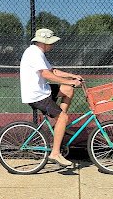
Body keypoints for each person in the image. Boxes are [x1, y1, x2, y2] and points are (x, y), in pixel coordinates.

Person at [20, 28, 83, 168]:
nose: (53, 45)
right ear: (43, 42)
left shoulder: (38, 52)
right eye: (51, 42)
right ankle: (55, 153)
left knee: (67, 90)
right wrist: (70, 81)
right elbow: (46, 75)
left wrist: (71, 76)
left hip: (43, 91)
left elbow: (53, 71)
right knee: (63, 117)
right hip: (36, 95)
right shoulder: (34, 53)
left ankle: (57, 125)